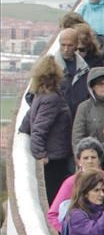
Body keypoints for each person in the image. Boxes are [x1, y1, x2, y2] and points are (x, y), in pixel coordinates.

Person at [20, 56, 72, 204]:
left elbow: (30, 118)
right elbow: (39, 129)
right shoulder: (52, 99)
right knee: (56, 197)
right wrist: (41, 154)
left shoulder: (39, 96)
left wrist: (22, 129)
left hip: (54, 155)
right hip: (55, 157)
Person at [53, 28, 92, 117]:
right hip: (57, 118)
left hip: (78, 117)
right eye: (63, 45)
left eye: (70, 45)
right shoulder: (50, 67)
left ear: (76, 45)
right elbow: (31, 96)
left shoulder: (84, 68)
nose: (66, 49)